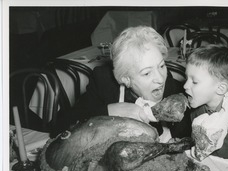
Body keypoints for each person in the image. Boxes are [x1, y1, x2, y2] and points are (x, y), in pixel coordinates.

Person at [54, 26, 191, 139]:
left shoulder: (170, 86)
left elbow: (185, 135)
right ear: (126, 79)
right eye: (146, 73)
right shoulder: (104, 82)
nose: (160, 79)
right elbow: (59, 126)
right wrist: (109, 111)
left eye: (161, 66)